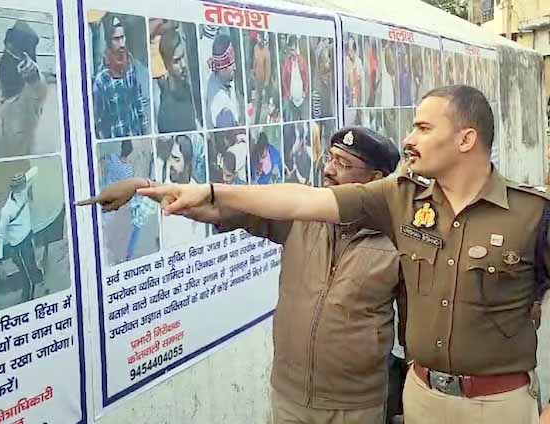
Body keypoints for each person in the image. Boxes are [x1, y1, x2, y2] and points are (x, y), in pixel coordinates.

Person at [125, 85, 548, 424]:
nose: (409, 139)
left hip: (498, 405)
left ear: (466, 139)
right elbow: (300, 200)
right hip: (422, 398)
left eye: (423, 128)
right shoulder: (399, 200)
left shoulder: (533, 214)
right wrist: (209, 191)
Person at [77, 127, 406, 424]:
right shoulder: (300, 215)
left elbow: (413, 328)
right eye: (330, 158)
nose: (329, 170)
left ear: (376, 179)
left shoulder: (399, 238)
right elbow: (214, 208)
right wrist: (144, 187)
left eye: (344, 164)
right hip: (290, 398)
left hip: (356, 406)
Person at [0, 20, 47, 158]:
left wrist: (33, 77)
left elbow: (38, 90)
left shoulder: (29, 90)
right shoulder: (3, 62)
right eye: (7, 49)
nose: (9, 52)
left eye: (14, 51)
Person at [93, 16, 147, 139]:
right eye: (116, 39)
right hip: (116, 140)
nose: (121, 44)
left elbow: (138, 102)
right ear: (108, 41)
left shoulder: (130, 65)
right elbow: (99, 121)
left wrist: (144, 132)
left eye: (123, 37)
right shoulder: (102, 79)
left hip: (136, 137)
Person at [0, 168, 44, 303]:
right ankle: (28, 299)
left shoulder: (24, 188)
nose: (21, 191)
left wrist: (26, 177)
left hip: (28, 238)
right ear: (13, 189)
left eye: (22, 186)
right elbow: (0, 236)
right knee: (27, 276)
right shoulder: (7, 211)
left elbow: (35, 170)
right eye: (19, 188)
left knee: (32, 265)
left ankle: (36, 282)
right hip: (18, 248)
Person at [157, 29, 197, 133]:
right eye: (176, 61)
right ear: (166, 64)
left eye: (183, 56)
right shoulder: (167, 109)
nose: (183, 65)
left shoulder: (189, 88)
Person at [205, 33, 241, 129]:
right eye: (231, 65)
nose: (235, 68)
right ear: (222, 68)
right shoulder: (221, 105)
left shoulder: (220, 79)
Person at [281, 35, 309, 121]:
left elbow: (306, 78)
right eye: (290, 50)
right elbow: (284, 79)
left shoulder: (302, 61)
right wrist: (288, 93)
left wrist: (305, 91)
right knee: (291, 121)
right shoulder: (287, 62)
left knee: (304, 121)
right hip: (291, 98)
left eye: (293, 50)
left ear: (297, 49)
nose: (292, 53)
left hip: (302, 97)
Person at [251, 31, 272, 125]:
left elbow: (268, 70)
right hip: (257, 79)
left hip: (263, 81)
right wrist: (253, 71)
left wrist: (265, 85)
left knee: (262, 102)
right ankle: (256, 120)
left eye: (259, 38)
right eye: (257, 37)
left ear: (263, 39)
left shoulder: (267, 52)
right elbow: (254, 60)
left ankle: (261, 122)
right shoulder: (255, 48)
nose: (257, 39)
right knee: (257, 101)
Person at [345, 35, 364, 107]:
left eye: (351, 50)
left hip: (357, 97)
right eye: (348, 50)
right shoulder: (345, 61)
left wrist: (361, 102)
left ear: (355, 50)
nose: (349, 53)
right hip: (348, 98)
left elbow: (361, 81)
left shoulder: (359, 62)